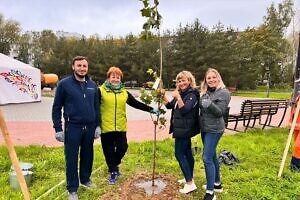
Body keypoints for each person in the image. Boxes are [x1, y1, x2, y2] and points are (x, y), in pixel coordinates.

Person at [99, 66, 158, 184]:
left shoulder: (124, 93)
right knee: (109, 151)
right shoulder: (100, 91)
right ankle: (113, 172)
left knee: (123, 147)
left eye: (118, 77)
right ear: (108, 78)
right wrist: (95, 124)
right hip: (105, 126)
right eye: (113, 77)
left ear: (121, 79)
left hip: (120, 126)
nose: (115, 79)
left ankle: (113, 166)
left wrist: (151, 109)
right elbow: (94, 107)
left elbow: (136, 104)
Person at [52, 56, 100, 200]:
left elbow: (96, 108)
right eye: (79, 65)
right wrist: (58, 129)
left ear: (87, 68)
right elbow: (56, 107)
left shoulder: (92, 85)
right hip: (72, 127)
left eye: (84, 66)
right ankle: (72, 189)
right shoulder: (64, 84)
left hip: (90, 128)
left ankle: (85, 179)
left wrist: (98, 125)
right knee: (71, 158)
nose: (82, 68)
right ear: (73, 67)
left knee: (88, 155)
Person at [162, 71, 200, 194]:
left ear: (189, 81)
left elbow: (185, 110)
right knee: (187, 153)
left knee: (179, 154)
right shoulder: (182, 93)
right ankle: (189, 177)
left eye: (184, 80)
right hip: (181, 128)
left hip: (185, 129)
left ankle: (190, 183)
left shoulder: (192, 94)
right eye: (179, 81)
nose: (181, 83)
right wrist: (162, 96)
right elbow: (169, 106)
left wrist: (178, 97)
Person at [199, 68, 231, 200]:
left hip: (215, 129)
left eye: (213, 77)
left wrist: (210, 104)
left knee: (206, 158)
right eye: (208, 78)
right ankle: (217, 184)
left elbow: (220, 112)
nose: (211, 80)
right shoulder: (206, 92)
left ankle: (210, 193)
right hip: (205, 128)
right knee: (211, 156)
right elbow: (202, 107)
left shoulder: (224, 93)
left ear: (218, 78)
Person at [288, 95, 300, 172]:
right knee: (295, 145)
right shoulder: (299, 95)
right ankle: (294, 167)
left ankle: (296, 167)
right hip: (297, 124)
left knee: (298, 146)